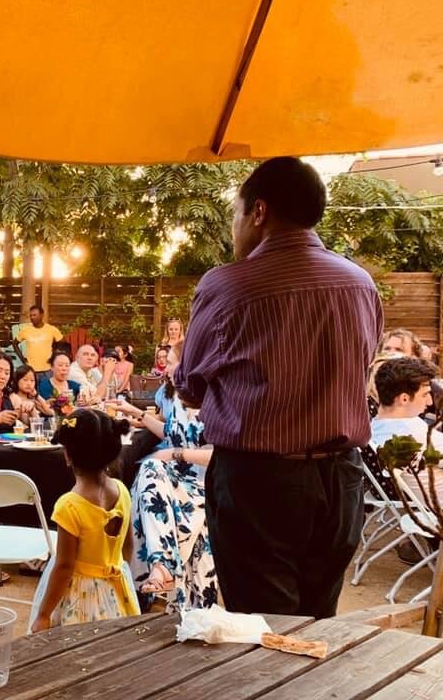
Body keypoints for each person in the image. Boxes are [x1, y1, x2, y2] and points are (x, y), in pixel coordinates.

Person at [175, 156, 383, 619]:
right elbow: (359, 369)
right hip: (342, 480)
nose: (234, 227)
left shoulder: (230, 287)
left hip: (259, 483)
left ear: (259, 212)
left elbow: (190, 387)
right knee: (317, 621)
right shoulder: (359, 284)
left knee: (264, 630)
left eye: (235, 213)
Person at [118, 341, 217, 612]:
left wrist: (176, 454)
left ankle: (161, 566)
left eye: (171, 363)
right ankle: (162, 566)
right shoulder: (176, 397)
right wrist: (135, 413)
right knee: (149, 469)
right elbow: (171, 432)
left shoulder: (216, 399)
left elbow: (221, 455)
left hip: (204, 483)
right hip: (174, 480)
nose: (166, 368)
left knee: (149, 469)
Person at [29, 408, 139, 632]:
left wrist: (44, 614)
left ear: (68, 455)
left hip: (80, 598)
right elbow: (127, 546)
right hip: (117, 588)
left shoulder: (69, 505)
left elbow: (64, 566)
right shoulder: (122, 491)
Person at [370, 356, 443, 501]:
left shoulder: (377, 426)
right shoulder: (408, 433)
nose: (429, 402)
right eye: (425, 394)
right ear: (404, 399)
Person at [12, 305, 63, 372]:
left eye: (34, 315)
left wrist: (54, 356)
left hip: (48, 369)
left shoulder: (51, 329)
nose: (32, 317)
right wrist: (23, 359)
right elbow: (14, 343)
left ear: (42, 315)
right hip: (31, 369)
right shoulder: (26, 330)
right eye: (31, 315)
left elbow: (62, 344)